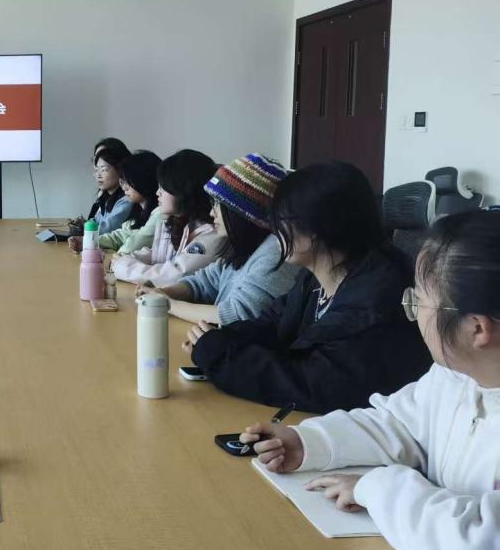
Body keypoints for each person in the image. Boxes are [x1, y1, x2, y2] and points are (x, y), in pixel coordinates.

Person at [240, 210, 500, 550]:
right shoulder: (456, 376)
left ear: (477, 328)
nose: (413, 312)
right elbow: (397, 421)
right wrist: (307, 442)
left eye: (419, 301)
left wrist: (376, 487)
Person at [188, 161, 432, 413]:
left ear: (316, 227)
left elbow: (310, 385)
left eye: (280, 220)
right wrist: (220, 339)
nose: (274, 229)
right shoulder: (315, 279)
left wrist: (219, 356)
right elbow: (272, 323)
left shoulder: (376, 298)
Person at [153, 154, 298, 326]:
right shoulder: (247, 247)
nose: (211, 212)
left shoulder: (276, 251)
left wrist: (168, 304)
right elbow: (207, 281)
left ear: (241, 212)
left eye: (217, 204)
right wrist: (167, 292)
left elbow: (237, 314)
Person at [110, 149, 223, 287]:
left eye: (163, 187)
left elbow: (174, 276)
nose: (158, 192)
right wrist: (128, 259)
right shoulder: (175, 221)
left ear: (183, 190)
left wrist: (125, 266)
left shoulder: (211, 233)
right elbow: (157, 254)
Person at [69, 151, 161, 255]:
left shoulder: (159, 214)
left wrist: (116, 257)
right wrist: (88, 241)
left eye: (128, 181)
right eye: (123, 181)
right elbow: (121, 236)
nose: (124, 187)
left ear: (144, 180)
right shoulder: (139, 211)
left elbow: (134, 244)